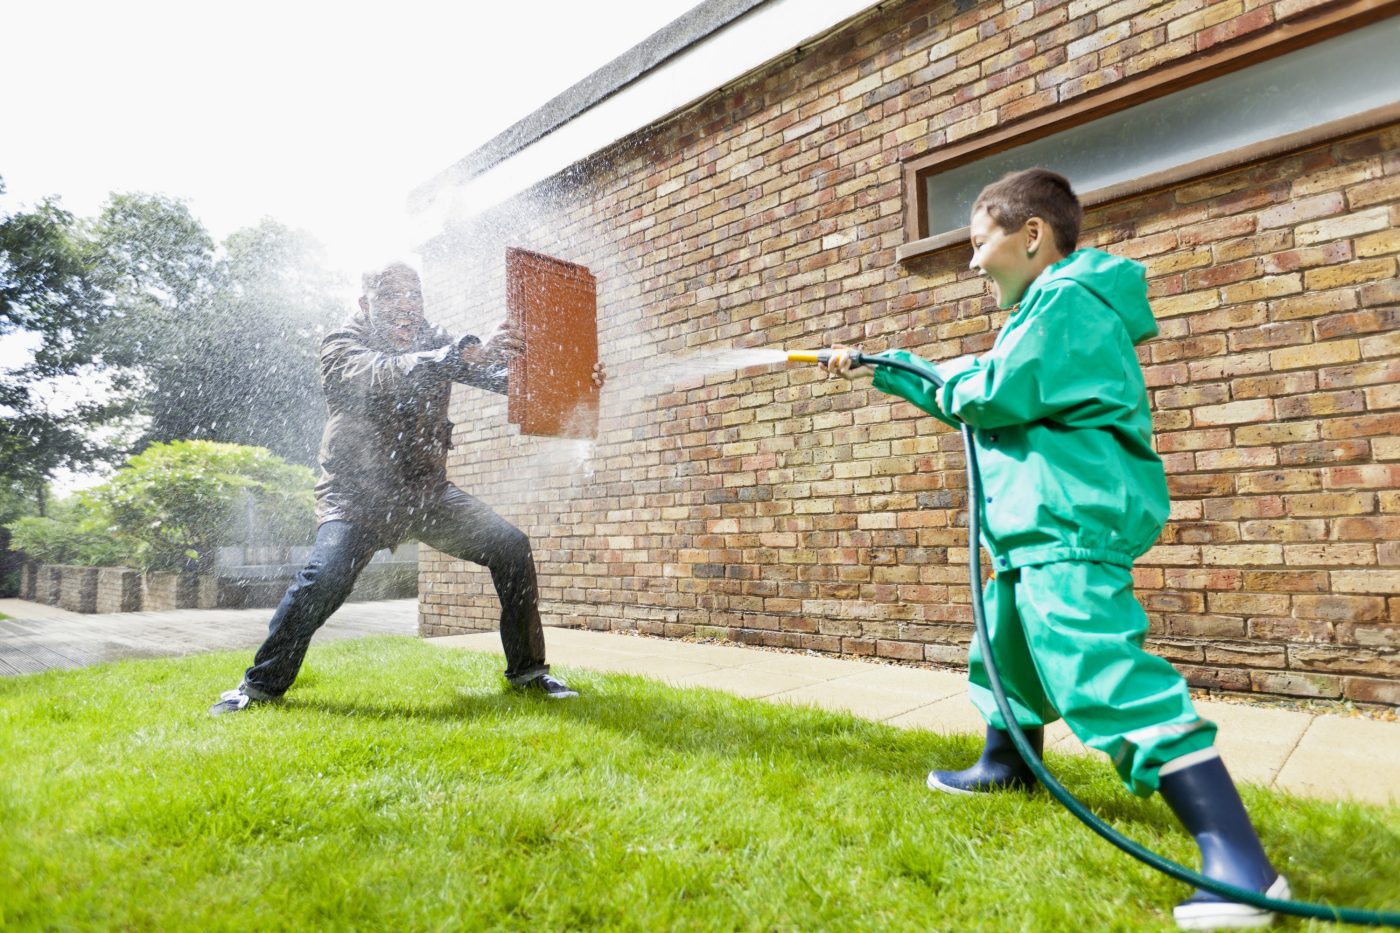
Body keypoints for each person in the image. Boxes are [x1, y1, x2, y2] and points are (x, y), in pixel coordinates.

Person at [823, 169, 1287, 931]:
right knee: (1005, 651)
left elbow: (990, 392)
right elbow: (990, 383)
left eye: (979, 243)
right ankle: (1006, 764)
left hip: (1067, 526)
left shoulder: (1070, 301)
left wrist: (895, 367)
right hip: (1028, 531)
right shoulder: (1046, 307)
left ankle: (1239, 857)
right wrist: (886, 367)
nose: (972, 264)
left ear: (1031, 235)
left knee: (1102, 671)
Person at [211, 261, 603, 714]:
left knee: (511, 548)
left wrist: (572, 384)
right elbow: (385, 371)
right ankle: (259, 687)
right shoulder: (341, 346)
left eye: (414, 296)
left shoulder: (437, 340)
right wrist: (465, 354)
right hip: (358, 496)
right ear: (366, 305)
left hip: (426, 494)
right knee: (324, 578)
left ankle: (529, 674)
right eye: (393, 297)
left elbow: (506, 382)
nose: (407, 306)